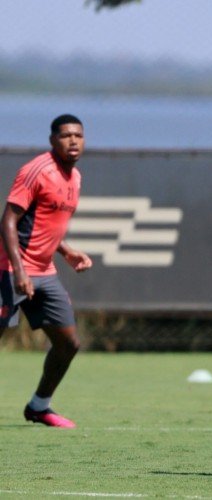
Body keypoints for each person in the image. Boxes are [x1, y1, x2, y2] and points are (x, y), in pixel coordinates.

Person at [0, 114, 93, 428]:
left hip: (44, 271)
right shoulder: (36, 170)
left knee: (68, 343)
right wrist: (18, 271)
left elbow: (44, 224)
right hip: (9, 268)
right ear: (52, 140)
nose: (73, 141)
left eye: (78, 135)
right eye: (66, 135)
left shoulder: (75, 178)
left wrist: (66, 251)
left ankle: (39, 406)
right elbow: (9, 221)